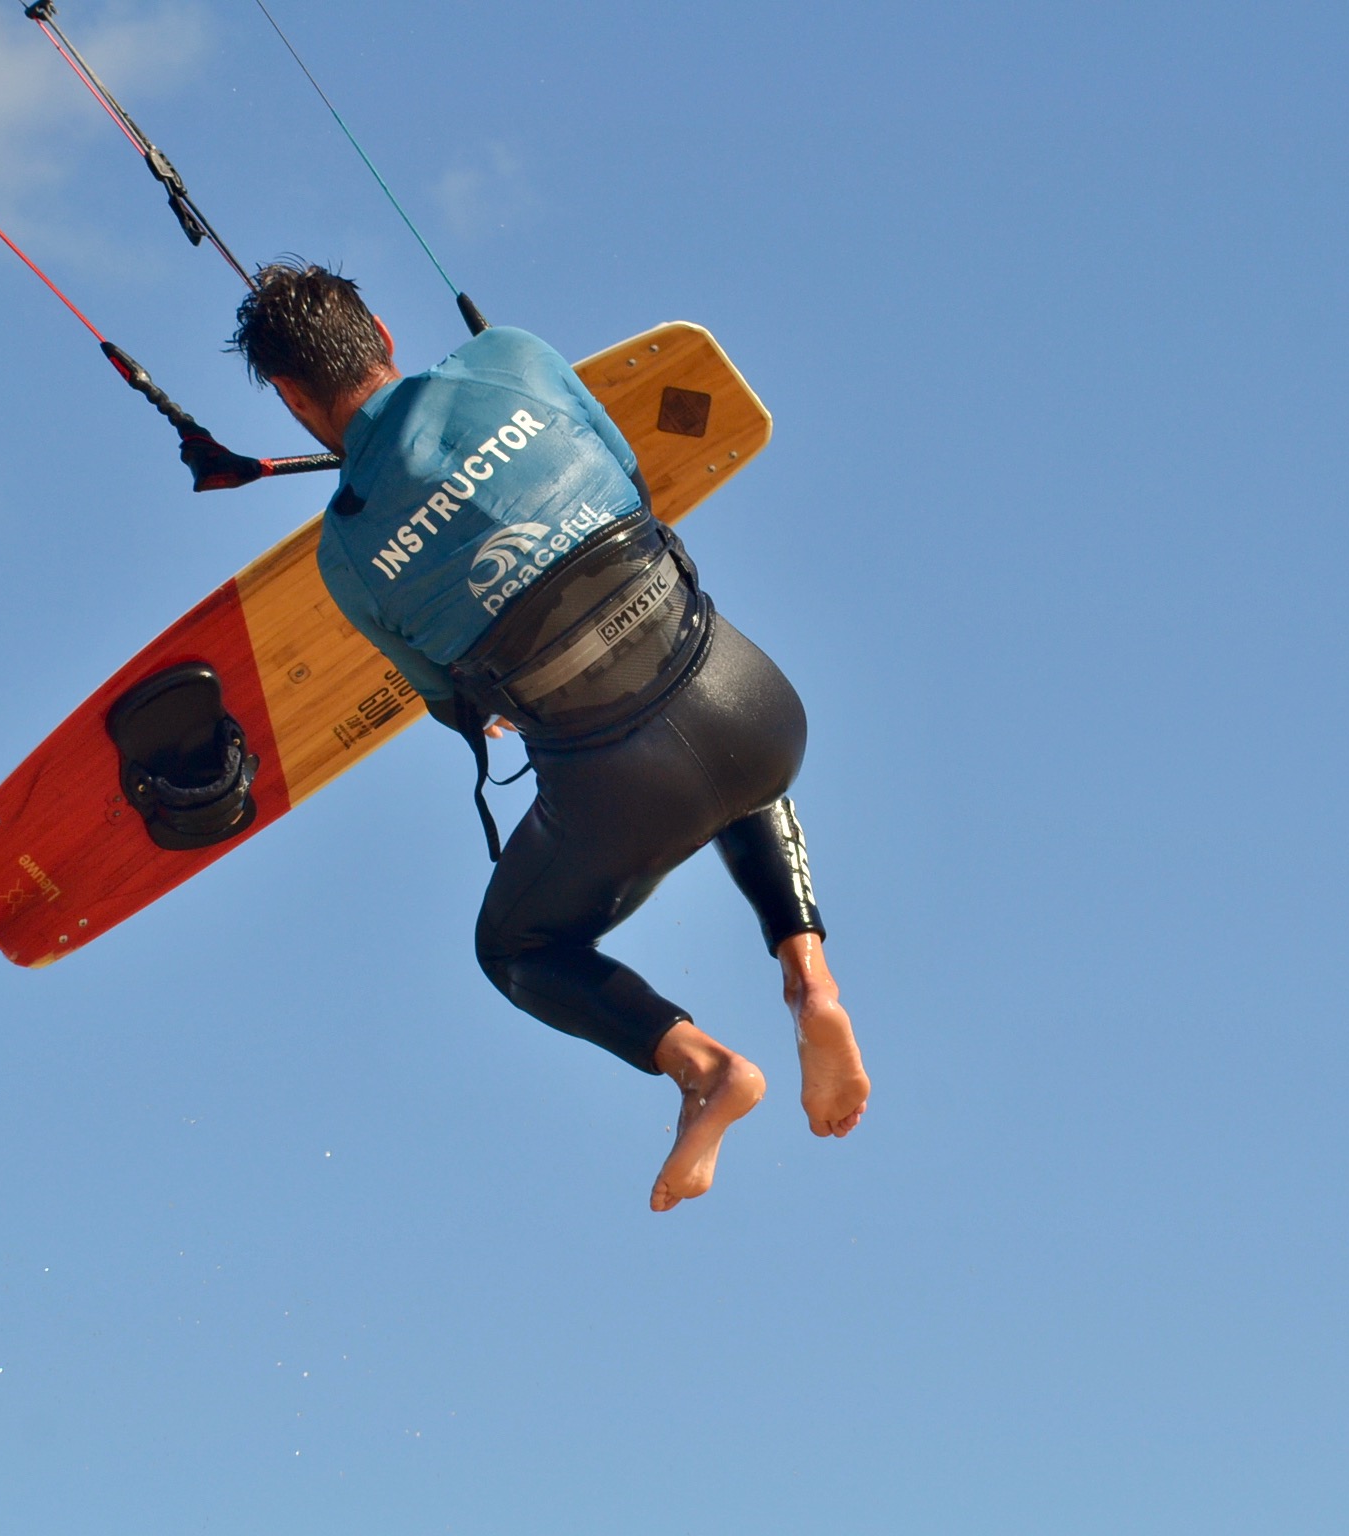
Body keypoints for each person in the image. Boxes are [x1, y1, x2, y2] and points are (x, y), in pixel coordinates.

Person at [224, 261, 869, 1211]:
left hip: (621, 795)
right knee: (711, 727)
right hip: (762, 715)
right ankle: (811, 984)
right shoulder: (513, 359)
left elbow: (454, 700)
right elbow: (633, 482)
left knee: (516, 948)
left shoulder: (349, 556)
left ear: (287, 395)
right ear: (384, 334)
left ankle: (701, 1067)